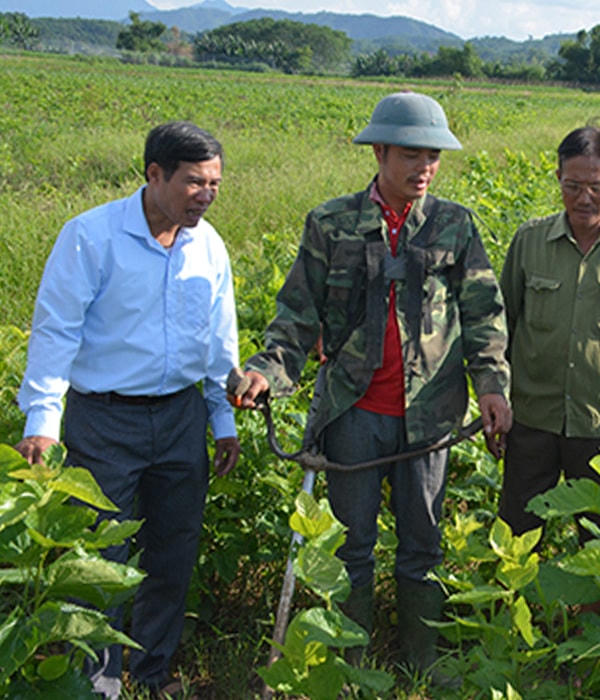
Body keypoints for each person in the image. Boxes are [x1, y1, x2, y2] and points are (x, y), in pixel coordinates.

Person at [231, 91, 511, 675]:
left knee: (423, 547)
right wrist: (265, 371)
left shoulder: (454, 225)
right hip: (352, 413)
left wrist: (491, 386)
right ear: (379, 152)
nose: (425, 169)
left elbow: (484, 312)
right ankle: (352, 666)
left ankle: (420, 663)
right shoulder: (331, 224)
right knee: (351, 548)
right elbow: (296, 315)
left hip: (430, 415)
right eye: (412, 155)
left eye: (433, 157)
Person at [15, 121, 240, 698]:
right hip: (102, 419)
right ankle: (97, 682)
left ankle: (152, 672)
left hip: (180, 416)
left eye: (215, 183)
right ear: (154, 174)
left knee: (173, 547)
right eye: (195, 182)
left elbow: (219, 344)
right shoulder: (91, 237)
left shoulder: (208, 245)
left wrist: (223, 420)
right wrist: (42, 421)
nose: (207, 195)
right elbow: (55, 332)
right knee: (99, 554)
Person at [498, 126, 600, 540]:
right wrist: (496, 397)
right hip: (532, 419)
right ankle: (520, 604)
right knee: (517, 529)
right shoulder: (529, 241)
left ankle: (590, 609)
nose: (583, 198)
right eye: (572, 186)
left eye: (596, 187)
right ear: (558, 179)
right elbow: (503, 327)